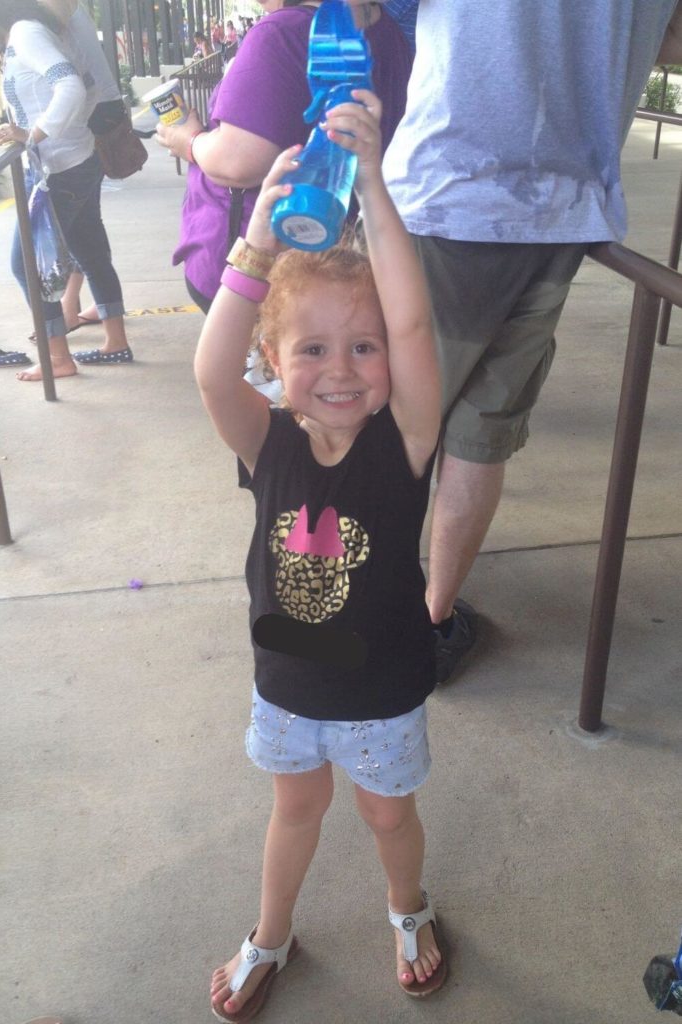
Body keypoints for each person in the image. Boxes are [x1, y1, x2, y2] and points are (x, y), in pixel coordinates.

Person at [195, 91, 444, 1021]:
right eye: (312, 348)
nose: (341, 369)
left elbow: (416, 328)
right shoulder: (269, 443)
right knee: (292, 811)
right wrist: (256, 237)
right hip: (287, 686)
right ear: (274, 356)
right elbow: (213, 372)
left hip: (382, 693)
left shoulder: (406, 439)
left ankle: (406, 910)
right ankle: (270, 934)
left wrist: (373, 184)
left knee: (387, 816)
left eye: (363, 346)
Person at [381, 0, 682, 683]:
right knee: (478, 431)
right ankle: (430, 619)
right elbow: (670, 42)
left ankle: (362, 609)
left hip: (443, 189)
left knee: (390, 421)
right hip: (564, 210)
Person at [156, 0, 411, 313]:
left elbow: (237, 162)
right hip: (335, 260)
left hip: (262, 266)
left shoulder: (281, 33)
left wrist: (188, 141)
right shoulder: (383, 28)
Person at [0, 0, 132, 380]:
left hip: (57, 170)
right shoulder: (44, 31)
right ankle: (116, 341)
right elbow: (88, 86)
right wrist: (70, 133)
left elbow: (71, 86)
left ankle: (58, 357)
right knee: (89, 251)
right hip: (77, 160)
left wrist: (35, 134)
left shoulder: (25, 34)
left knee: (27, 265)